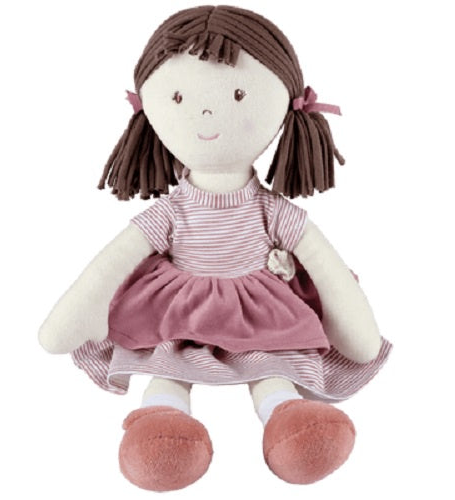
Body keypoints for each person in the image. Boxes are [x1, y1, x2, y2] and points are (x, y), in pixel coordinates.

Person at [39, 5, 392, 492]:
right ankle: (160, 428)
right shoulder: (170, 212)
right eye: (179, 97)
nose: (206, 113)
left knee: (273, 370)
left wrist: (358, 334)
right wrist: (68, 321)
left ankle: (289, 420)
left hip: (262, 315)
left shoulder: (271, 210)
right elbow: (111, 264)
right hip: (175, 315)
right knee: (167, 370)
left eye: (239, 94)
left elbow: (323, 263)